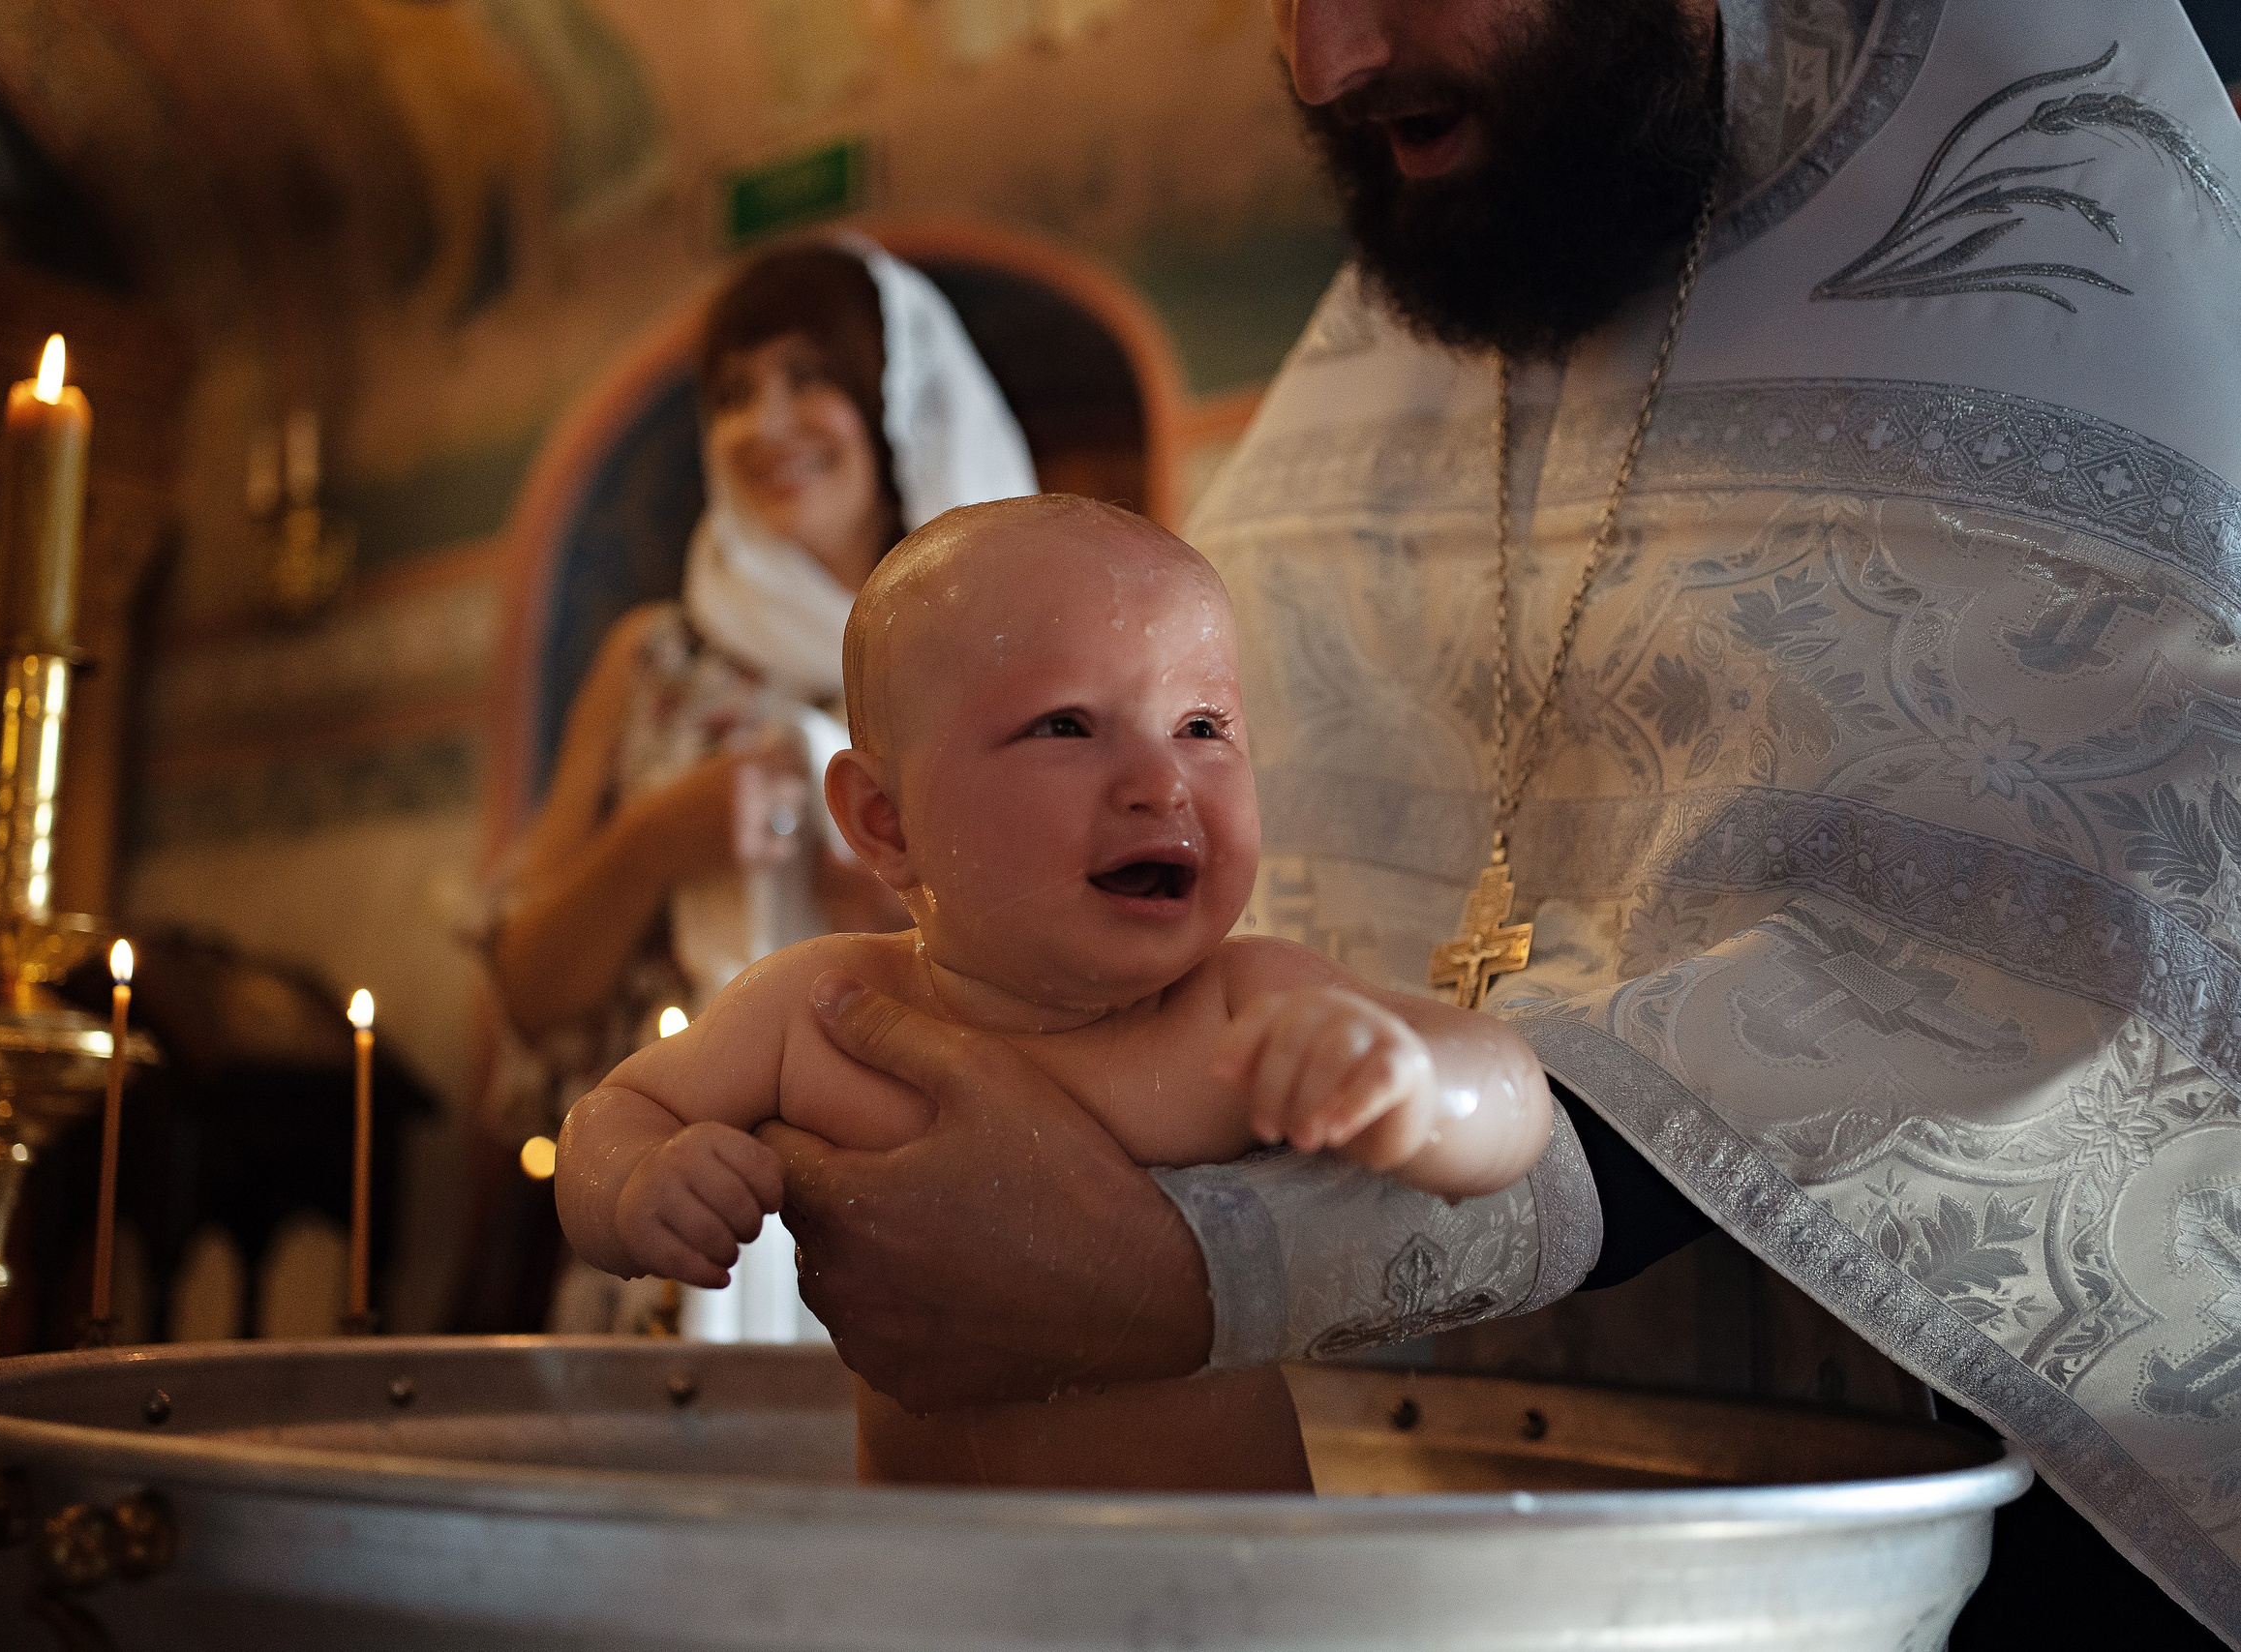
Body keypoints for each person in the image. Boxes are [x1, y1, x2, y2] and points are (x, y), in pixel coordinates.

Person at [758, 0, 2241, 1641]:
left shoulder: (2078, 216)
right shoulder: (1478, 252)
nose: (1326, 63)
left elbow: (2076, 966)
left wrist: (1205, 1267)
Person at [553, 495, 1552, 1489]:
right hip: (943, 1596)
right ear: (884, 820)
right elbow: (615, 1114)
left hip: (1223, 1595)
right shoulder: (819, 1011)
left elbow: (1515, 1101)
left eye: (1201, 725)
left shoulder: (1244, 1006)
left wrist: (1420, 1088)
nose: (1160, 783)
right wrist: (637, 1185)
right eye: (1066, 725)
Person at [482, 237, 1035, 1338]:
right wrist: (653, 841)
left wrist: (900, 908)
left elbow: (1072, 974)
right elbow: (529, 993)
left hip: (922, 1220)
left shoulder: (995, 664)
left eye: (810, 377)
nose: (766, 423)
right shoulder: (654, 661)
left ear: (894, 408)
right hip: (672, 1229)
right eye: (733, 394)